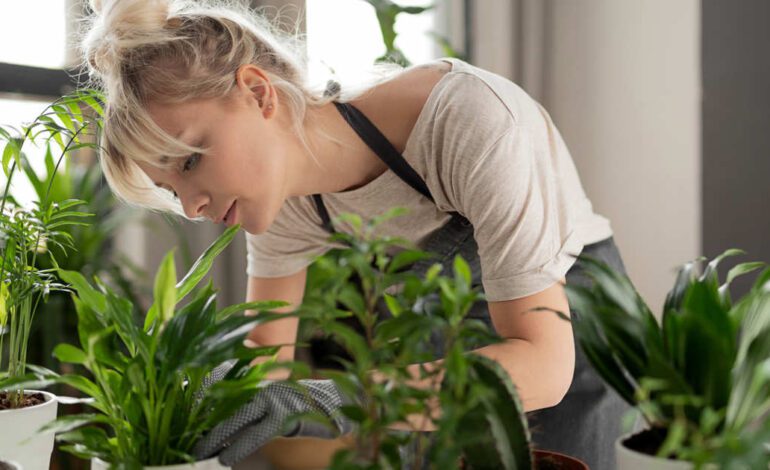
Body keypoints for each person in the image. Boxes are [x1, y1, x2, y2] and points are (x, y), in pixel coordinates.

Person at [81, 0, 631, 468]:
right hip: (446, 351)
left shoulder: (468, 122)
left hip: (564, 341)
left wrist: (327, 399)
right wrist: (193, 399)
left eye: (191, 160)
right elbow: (265, 365)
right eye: (172, 191)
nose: (194, 206)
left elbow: (543, 364)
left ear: (257, 92)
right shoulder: (287, 204)